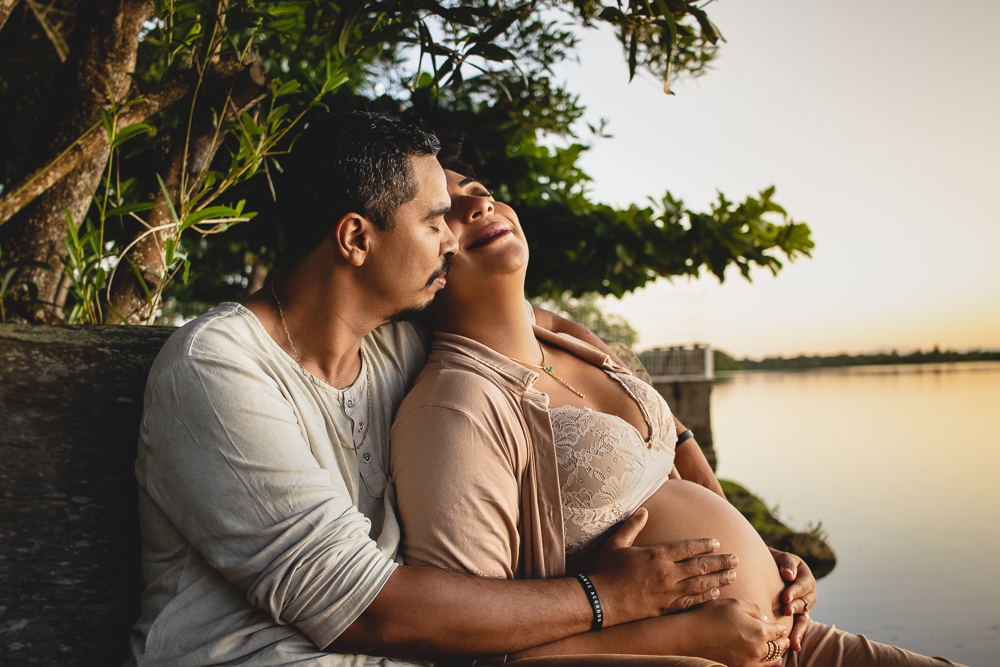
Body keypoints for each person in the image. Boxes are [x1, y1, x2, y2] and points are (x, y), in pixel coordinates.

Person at [127, 112, 752, 667]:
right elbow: (364, 611)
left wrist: (689, 453)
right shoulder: (218, 370)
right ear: (355, 239)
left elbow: (540, 327)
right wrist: (611, 598)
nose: (453, 239)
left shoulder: (393, 341)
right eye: (434, 222)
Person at [388, 152, 969, 667]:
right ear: (419, 259)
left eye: (478, 187)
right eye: (444, 209)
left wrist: (763, 553)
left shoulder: (562, 337)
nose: (478, 201)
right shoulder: (455, 407)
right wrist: (689, 636)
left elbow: (676, 454)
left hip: (793, 636)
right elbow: (474, 653)